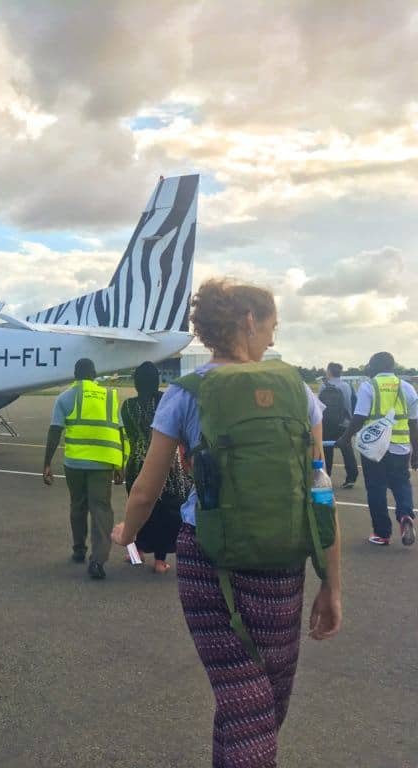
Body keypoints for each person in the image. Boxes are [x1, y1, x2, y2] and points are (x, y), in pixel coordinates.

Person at [112, 279, 341, 768]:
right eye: (273, 327)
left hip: (208, 559)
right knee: (264, 703)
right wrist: (332, 584)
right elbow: (320, 497)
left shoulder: (186, 392)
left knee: (243, 703)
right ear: (249, 321)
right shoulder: (297, 392)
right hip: (283, 565)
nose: (273, 341)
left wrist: (125, 535)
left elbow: (146, 489)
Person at [43, 358, 127, 580]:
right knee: (101, 509)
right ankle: (98, 561)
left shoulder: (65, 397)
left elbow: (54, 431)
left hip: (75, 463)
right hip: (103, 463)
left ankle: (79, 549)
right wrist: (121, 464)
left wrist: (47, 463)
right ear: (94, 374)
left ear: (75, 375)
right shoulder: (110, 397)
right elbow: (120, 432)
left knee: (78, 505)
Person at [336, 351, 418, 546]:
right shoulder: (406, 387)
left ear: (374, 366)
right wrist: (416, 453)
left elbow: (359, 417)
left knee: (376, 488)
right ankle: (406, 515)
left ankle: (382, 533)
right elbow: (414, 424)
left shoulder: (369, 387)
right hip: (400, 447)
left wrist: (345, 438)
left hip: (374, 450)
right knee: (401, 484)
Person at [120, 361, 193, 574]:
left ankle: (136, 553)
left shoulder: (128, 406)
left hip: (136, 462)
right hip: (164, 464)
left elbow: (132, 436)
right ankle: (160, 561)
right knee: (163, 513)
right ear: (156, 381)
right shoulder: (164, 401)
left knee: (136, 508)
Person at [319, 362, 358, 488]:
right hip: (344, 423)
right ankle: (351, 477)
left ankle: (326, 476)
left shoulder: (323, 386)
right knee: (347, 451)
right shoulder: (347, 386)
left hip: (327, 423)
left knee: (326, 452)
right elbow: (352, 404)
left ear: (329, 372)